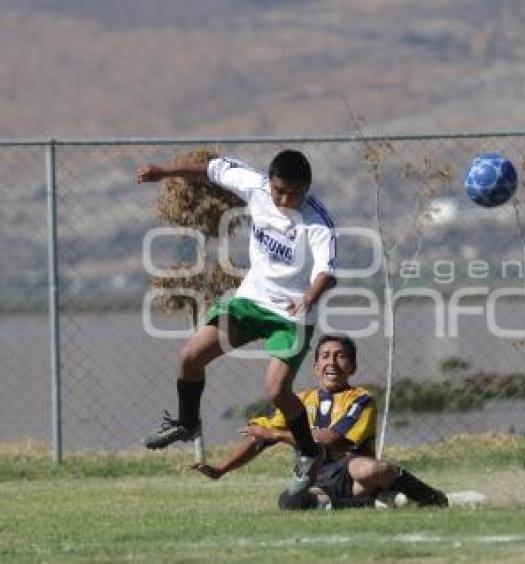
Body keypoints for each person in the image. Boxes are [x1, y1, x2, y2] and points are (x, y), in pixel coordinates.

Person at [137, 150, 337, 496]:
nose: (284, 199)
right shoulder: (255, 187)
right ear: (270, 183)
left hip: (292, 315)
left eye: (293, 193)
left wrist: (307, 297)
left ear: (306, 188)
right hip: (250, 303)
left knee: (276, 390)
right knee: (190, 358)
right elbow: (211, 170)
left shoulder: (317, 222)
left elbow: (327, 272)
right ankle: (187, 423)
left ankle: (308, 451)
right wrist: (164, 172)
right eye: (279, 191)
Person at [190, 334, 449, 510]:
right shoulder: (299, 400)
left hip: (354, 473)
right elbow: (259, 437)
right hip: (317, 479)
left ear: (353, 367)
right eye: (325, 356)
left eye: (339, 356)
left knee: (370, 470)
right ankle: (372, 503)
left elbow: (332, 440)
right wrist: (220, 469)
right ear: (315, 367)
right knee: (291, 503)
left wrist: (278, 435)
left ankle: (432, 497)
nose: (331, 362)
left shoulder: (361, 399)